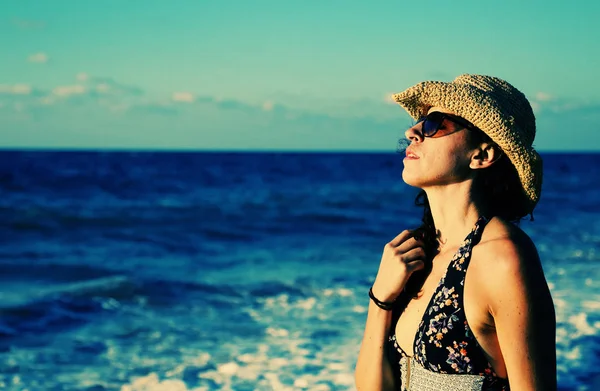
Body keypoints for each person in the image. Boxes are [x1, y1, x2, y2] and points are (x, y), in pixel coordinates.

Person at [354, 74, 556, 391]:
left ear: (482, 155)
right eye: (421, 122)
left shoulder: (503, 257)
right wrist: (380, 299)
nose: (412, 132)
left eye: (436, 124)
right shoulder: (420, 250)